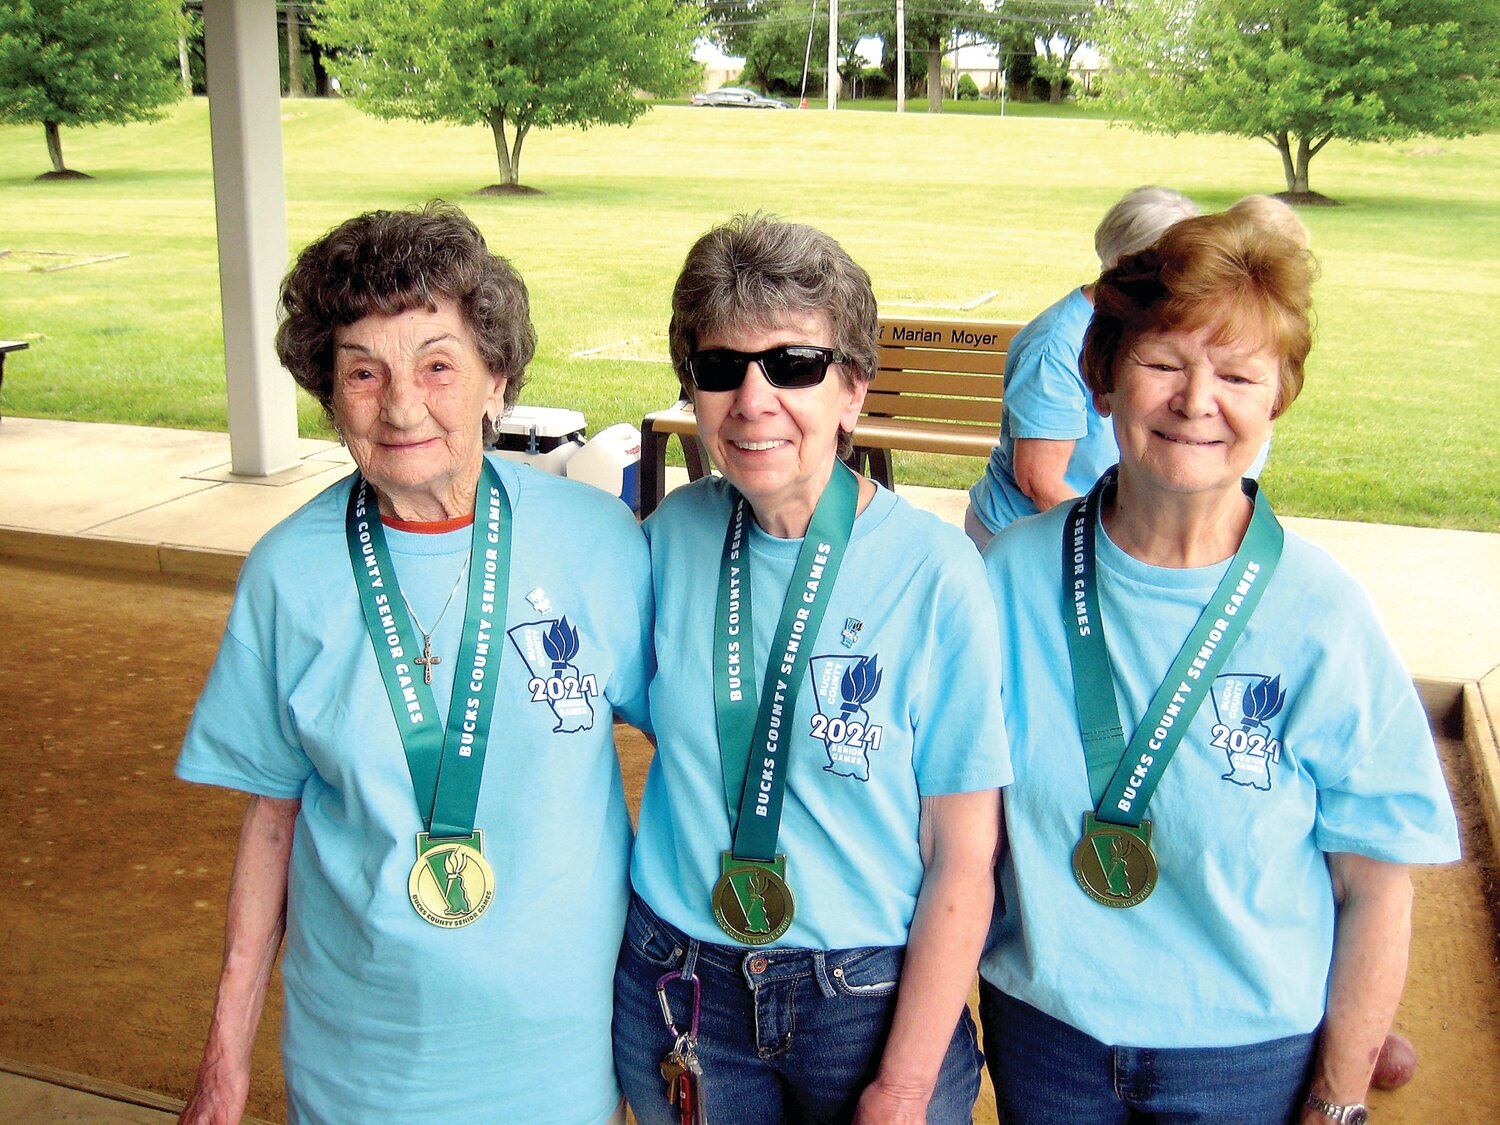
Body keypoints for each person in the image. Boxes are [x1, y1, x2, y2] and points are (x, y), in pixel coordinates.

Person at [978, 210, 1460, 1124]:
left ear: (1275, 399)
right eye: (1163, 362)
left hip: (1247, 1058)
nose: (1198, 402)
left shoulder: (1322, 614)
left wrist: (1339, 1097)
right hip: (1048, 1037)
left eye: (1239, 375)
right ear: (1104, 378)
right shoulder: (1009, 577)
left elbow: (1374, 886)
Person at [175, 203, 651, 1125]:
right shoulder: (288, 572)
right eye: (363, 371)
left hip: (561, 1046)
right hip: (362, 1054)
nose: (400, 405)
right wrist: (223, 1062)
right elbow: (271, 822)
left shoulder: (599, 544)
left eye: (438, 364)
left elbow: (706, 753)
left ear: (496, 381)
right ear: (329, 391)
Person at [614, 213, 1011, 1125]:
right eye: (720, 368)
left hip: (863, 998)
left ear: (854, 390)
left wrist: (906, 1082)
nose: (752, 400)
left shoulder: (936, 573)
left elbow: (963, 854)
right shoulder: (669, 537)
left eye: (793, 365)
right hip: (682, 981)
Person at [965, 186, 1201, 550]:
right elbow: (1040, 481)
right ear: (1135, 263)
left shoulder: (1131, 324)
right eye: (1180, 268)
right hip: (1032, 539)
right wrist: (1118, 547)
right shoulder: (1056, 345)